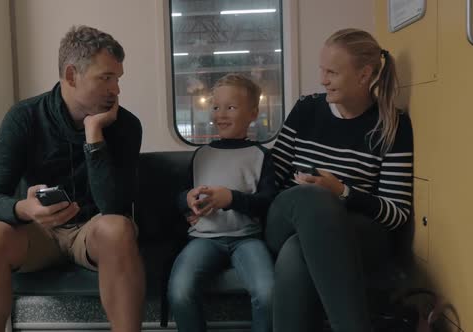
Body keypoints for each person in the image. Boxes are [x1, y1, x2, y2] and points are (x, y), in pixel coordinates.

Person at [0, 25, 144, 332]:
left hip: (92, 231)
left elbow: (114, 206)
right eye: (106, 78)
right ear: (72, 76)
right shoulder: (24, 117)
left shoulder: (125, 125)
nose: (116, 90)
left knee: (117, 228)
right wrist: (25, 209)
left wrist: (94, 136)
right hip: (39, 234)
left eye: (118, 78)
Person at [266, 28, 414, 332]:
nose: (322, 79)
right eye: (322, 70)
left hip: (354, 230)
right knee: (312, 199)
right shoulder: (307, 109)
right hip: (288, 216)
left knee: (296, 252)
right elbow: (271, 177)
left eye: (332, 72)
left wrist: (343, 192)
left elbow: (397, 214)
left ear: (364, 75)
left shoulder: (392, 125)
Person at [168, 74, 277, 332]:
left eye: (231, 107)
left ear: (252, 113)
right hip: (203, 239)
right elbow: (181, 197)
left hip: (247, 239)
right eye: (216, 107)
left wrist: (231, 199)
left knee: (269, 292)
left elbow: (267, 202)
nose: (221, 114)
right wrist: (187, 202)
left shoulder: (260, 155)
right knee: (180, 291)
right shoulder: (201, 155)